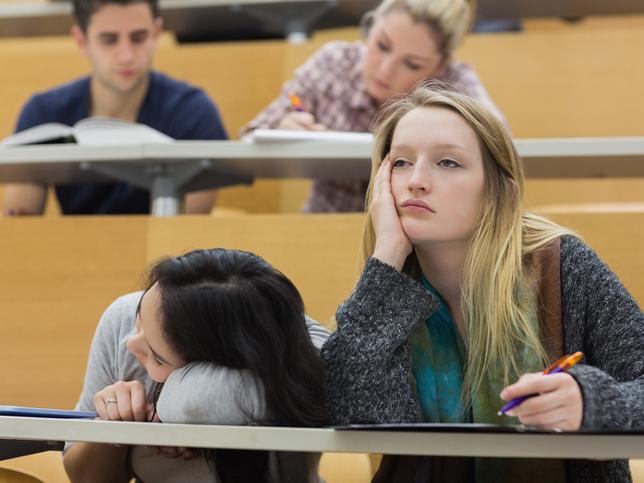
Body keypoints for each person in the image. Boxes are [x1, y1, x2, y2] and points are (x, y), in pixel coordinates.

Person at [321, 86, 644, 482]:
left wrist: (591, 402)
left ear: (499, 191)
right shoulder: (389, 286)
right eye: (402, 162)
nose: (416, 181)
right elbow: (347, 406)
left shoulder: (563, 264)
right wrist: (386, 254)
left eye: (447, 163)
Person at [63, 248, 328, 482]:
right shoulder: (122, 319)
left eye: (157, 357)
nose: (131, 344)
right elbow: (84, 476)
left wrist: (182, 415)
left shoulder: (296, 353)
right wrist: (112, 426)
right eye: (139, 317)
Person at [242, 0, 505, 213]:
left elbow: (500, 149)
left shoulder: (454, 83)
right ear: (369, 27)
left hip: (418, 240)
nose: (385, 69)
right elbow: (249, 136)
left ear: (439, 68)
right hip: (325, 223)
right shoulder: (334, 63)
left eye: (412, 64)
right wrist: (283, 124)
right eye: (381, 46)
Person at [3, 0, 227, 216]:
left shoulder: (192, 111)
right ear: (81, 41)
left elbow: (185, 230)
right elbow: (19, 224)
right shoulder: (44, 112)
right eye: (109, 40)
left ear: (156, 33)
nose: (126, 56)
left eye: (138, 38)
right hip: (72, 250)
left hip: (162, 251)